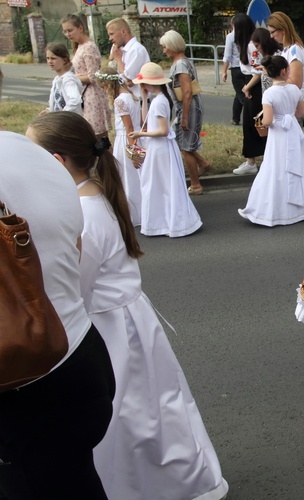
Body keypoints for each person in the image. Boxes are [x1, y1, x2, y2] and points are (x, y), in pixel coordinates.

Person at [27, 110, 230, 500]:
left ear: (55, 162)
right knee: (154, 410)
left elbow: (76, 293)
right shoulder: (94, 194)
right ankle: (172, 480)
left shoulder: (80, 214)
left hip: (109, 328)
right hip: (128, 319)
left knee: (125, 416)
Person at [0, 131, 115, 499]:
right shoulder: (33, 153)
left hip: (19, 376)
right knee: (74, 479)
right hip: (78, 354)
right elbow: (75, 253)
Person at [237, 55, 304, 226]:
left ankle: (276, 209)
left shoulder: (269, 93)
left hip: (278, 133)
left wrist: (264, 121)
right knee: (299, 164)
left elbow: (268, 121)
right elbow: (301, 113)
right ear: (285, 71)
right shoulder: (294, 89)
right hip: (292, 129)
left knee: (276, 166)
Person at [130, 62, 202, 237]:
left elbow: (163, 131)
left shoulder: (160, 102)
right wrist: (144, 99)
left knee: (159, 185)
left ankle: (166, 221)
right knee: (158, 185)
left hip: (159, 149)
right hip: (157, 148)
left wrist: (140, 135)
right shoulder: (158, 100)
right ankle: (163, 220)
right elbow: (147, 119)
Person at [160, 30, 210, 196]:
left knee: (186, 147)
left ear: (172, 46)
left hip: (187, 107)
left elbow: (187, 91)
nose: (164, 50)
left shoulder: (180, 64)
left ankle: (195, 185)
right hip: (188, 106)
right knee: (181, 141)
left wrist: (185, 117)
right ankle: (203, 164)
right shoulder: (183, 61)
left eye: (165, 47)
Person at [95, 67, 142, 226]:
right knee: (135, 177)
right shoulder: (132, 96)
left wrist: (133, 151)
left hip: (127, 140)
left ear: (108, 85)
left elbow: (129, 128)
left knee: (127, 177)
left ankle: (133, 214)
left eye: (103, 86)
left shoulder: (120, 100)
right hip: (135, 138)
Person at [61, 14, 111, 138]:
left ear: (80, 28)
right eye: (65, 31)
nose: (68, 34)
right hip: (84, 94)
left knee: (98, 137)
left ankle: (110, 158)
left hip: (92, 96)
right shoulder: (80, 46)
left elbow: (93, 77)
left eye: (70, 30)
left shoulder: (89, 47)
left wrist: (71, 79)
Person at [234, 13, 267, 176]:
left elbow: (258, 71)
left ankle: (254, 161)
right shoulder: (247, 44)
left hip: (254, 85)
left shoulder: (251, 46)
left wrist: (247, 87)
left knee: (255, 122)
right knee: (250, 123)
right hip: (251, 83)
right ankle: (252, 159)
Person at [267, 12, 304, 110]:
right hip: (289, 102)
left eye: (272, 32)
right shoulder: (288, 49)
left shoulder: (295, 50)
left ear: (283, 30)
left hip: (293, 104)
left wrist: (275, 79)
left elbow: (295, 83)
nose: (271, 36)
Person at [106, 18, 150, 100]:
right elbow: (110, 64)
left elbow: (127, 81)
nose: (110, 38)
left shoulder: (136, 50)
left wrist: (119, 59)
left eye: (112, 34)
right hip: (127, 99)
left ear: (123, 32)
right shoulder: (119, 48)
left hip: (139, 101)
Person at [45, 43, 82, 114]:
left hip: (69, 120)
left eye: (53, 58)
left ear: (64, 60)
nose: (50, 61)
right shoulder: (57, 79)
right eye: (48, 58)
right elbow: (56, 101)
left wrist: (63, 113)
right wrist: (50, 110)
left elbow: (75, 99)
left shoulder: (68, 79)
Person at [222, 16, 244, 126]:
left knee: (241, 94)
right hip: (247, 68)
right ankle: (235, 118)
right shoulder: (248, 35)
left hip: (236, 68)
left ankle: (251, 117)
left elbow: (227, 56)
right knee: (239, 93)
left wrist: (224, 71)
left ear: (232, 25)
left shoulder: (230, 36)